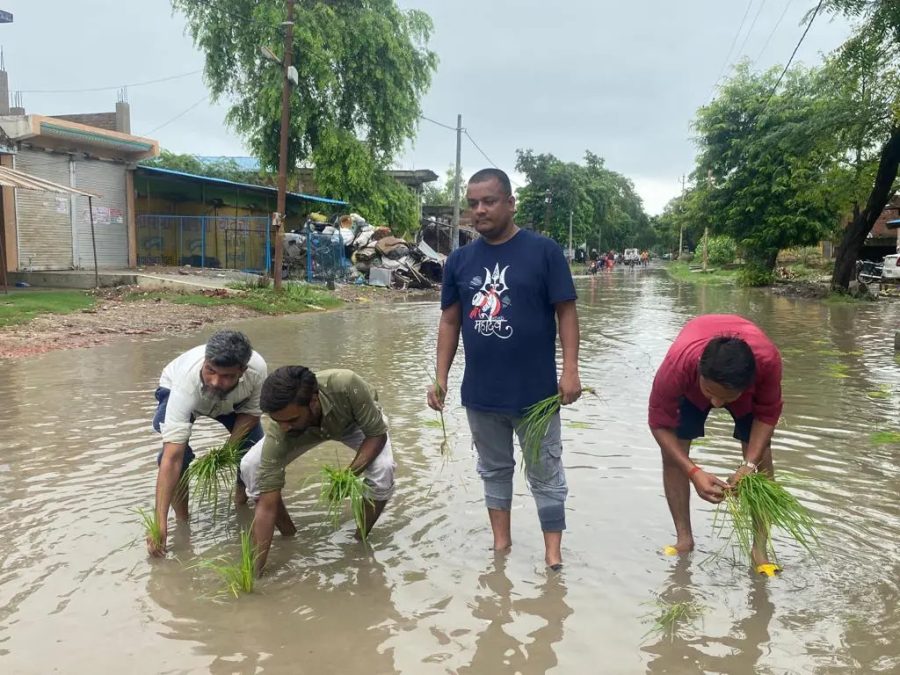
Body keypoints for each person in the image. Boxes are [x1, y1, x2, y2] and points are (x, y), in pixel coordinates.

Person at [427, 168, 582, 571]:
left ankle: (553, 555)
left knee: (545, 472)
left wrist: (571, 369)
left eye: (488, 201)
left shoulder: (544, 251)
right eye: (472, 203)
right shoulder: (460, 260)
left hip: (537, 394)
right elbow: (449, 322)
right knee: (494, 471)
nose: (479, 210)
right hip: (482, 393)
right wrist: (440, 378)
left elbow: (566, 311)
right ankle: (502, 546)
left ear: (511, 203)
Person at [647, 314, 784, 575]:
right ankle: (684, 540)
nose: (717, 404)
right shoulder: (679, 366)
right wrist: (694, 472)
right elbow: (658, 424)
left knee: (763, 458)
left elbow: (767, 416)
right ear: (700, 371)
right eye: (711, 393)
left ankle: (760, 549)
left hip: (740, 385)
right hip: (691, 390)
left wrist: (749, 465)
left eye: (727, 397)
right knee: (673, 452)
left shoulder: (767, 362)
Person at [241, 366, 396, 573]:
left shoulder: (347, 385)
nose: (284, 426)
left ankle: (359, 540)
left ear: (314, 401)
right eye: (278, 420)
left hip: (352, 422)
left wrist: (347, 476)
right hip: (303, 433)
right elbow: (267, 506)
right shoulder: (283, 428)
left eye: (290, 419)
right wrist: (252, 572)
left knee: (383, 470)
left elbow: (377, 435)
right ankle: (289, 535)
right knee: (251, 465)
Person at [149, 330, 267, 556]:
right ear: (205, 361)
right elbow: (172, 459)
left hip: (233, 401)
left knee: (252, 452)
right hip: (179, 391)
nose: (215, 381)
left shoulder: (258, 371)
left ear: (242, 371)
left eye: (226, 376)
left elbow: (251, 414)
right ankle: (182, 521)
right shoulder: (186, 384)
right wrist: (159, 523)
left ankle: (241, 504)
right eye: (210, 370)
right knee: (178, 456)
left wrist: (228, 451)